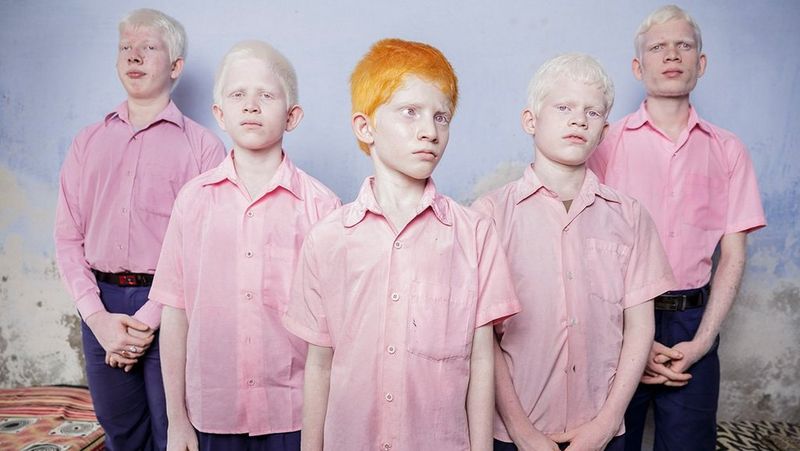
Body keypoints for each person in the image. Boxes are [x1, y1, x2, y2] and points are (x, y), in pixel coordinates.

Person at [282, 38, 521, 451]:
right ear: (365, 126)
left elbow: (482, 361)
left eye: (441, 117)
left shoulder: (475, 235)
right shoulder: (327, 239)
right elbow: (319, 365)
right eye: (409, 112)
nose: (429, 131)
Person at [474, 53, 675, 451]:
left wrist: (605, 424)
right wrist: (523, 432)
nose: (579, 120)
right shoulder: (488, 217)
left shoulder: (630, 216)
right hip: (515, 432)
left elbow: (639, 329)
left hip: (603, 427)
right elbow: (484, 339)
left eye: (593, 112)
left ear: (603, 130)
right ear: (530, 120)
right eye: (563, 107)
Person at [587, 6, 767, 450]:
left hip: (693, 322)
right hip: (619, 320)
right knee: (610, 441)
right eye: (657, 47)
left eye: (684, 45)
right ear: (638, 66)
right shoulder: (606, 143)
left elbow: (734, 254)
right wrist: (633, 339)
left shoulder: (728, 150)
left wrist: (703, 341)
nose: (671, 54)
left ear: (700, 64)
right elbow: (586, 245)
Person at [152, 40, 340, 451]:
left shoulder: (323, 207)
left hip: (296, 415)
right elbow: (176, 312)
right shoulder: (193, 200)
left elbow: (335, 329)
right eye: (238, 94)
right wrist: (177, 421)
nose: (251, 105)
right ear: (219, 113)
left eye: (266, 95)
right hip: (212, 414)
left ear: (292, 116)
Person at [54, 8, 225, 450]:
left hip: (173, 306)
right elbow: (68, 238)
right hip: (101, 304)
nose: (134, 55)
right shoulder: (87, 142)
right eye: (126, 47)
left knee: (177, 432)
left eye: (149, 47)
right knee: (121, 431)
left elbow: (206, 247)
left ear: (175, 66)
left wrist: (146, 322)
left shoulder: (203, 147)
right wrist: (99, 321)